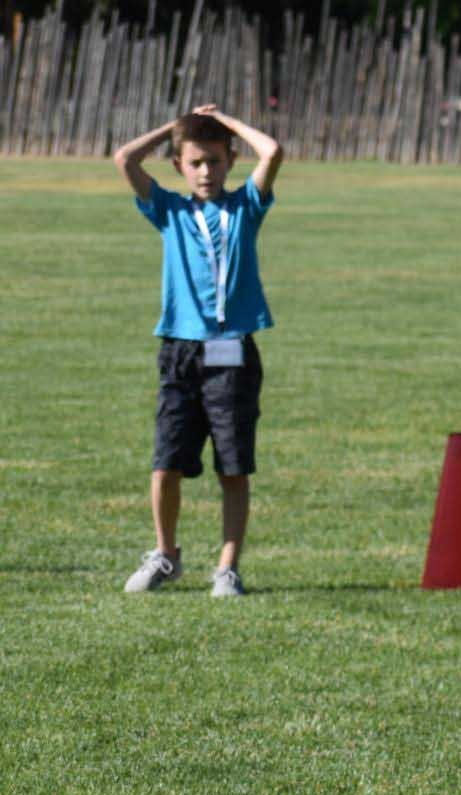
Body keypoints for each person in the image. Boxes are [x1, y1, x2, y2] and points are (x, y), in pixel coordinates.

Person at [113, 104, 284, 598]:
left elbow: (271, 151)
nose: (206, 171)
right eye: (195, 162)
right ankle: (166, 555)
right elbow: (125, 158)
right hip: (181, 354)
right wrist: (175, 127)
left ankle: (227, 568)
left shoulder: (246, 208)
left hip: (232, 355)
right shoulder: (170, 211)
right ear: (180, 167)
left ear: (230, 161)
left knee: (233, 466)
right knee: (165, 461)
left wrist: (226, 122)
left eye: (215, 160)